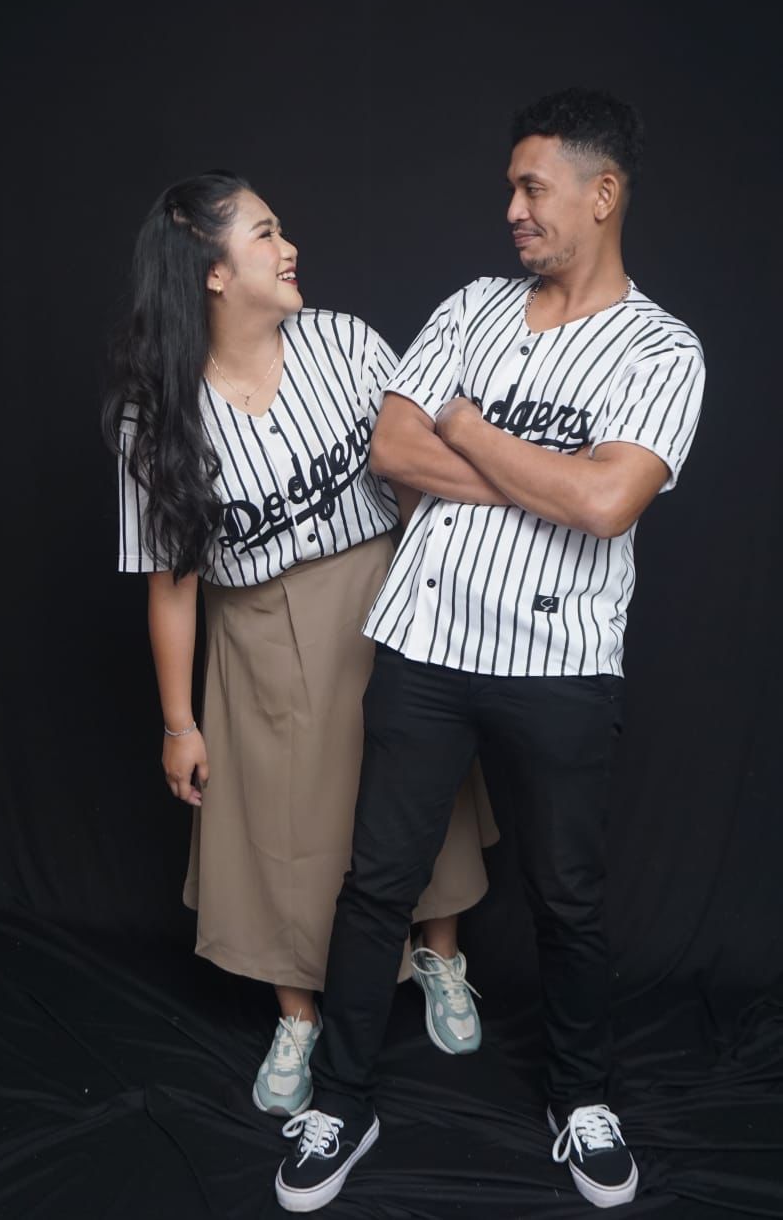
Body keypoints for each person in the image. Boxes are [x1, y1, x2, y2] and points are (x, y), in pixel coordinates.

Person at [274, 89, 706, 1212]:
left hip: (562, 668)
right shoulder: (472, 305)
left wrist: (467, 428)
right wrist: (545, 479)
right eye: (510, 188)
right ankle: (343, 1102)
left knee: (567, 898)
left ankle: (582, 1099)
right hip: (422, 648)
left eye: (532, 187)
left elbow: (606, 504)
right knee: (376, 886)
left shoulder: (663, 348)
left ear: (601, 194)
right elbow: (389, 447)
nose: (512, 208)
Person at [102, 170, 497, 1121]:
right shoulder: (156, 413)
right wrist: (177, 724)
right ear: (211, 270)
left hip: (381, 589)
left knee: (419, 788)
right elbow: (171, 582)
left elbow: (423, 473)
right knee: (285, 830)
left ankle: (441, 957)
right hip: (257, 631)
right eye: (266, 234)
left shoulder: (346, 343)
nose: (290, 249)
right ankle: (300, 1016)